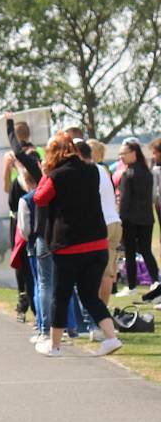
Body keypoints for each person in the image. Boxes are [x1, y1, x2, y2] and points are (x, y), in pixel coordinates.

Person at [33, 132, 122, 357]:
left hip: (69, 246)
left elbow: (39, 199)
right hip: (97, 244)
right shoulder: (92, 170)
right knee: (90, 295)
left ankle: (54, 346)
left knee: (60, 296)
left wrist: (45, 174)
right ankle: (111, 338)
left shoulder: (56, 176)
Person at [77, 140, 122, 341]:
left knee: (93, 275)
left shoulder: (85, 173)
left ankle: (97, 322)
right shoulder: (103, 170)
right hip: (114, 222)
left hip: (100, 225)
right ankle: (105, 320)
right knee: (107, 274)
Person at [3, 117, 38, 322]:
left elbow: (6, 187)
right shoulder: (10, 156)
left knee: (23, 260)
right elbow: (8, 188)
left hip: (21, 214)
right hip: (19, 211)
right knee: (23, 259)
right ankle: (24, 298)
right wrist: (9, 168)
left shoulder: (34, 153)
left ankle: (26, 299)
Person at [114, 139, 159, 298]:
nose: (121, 157)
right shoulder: (147, 172)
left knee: (131, 252)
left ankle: (132, 285)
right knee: (146, 251)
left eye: (123, 154)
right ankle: (156, 279)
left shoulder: (128, 174)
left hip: (131, 219)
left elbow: (125, 200)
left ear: (133, 153)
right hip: (147, 218)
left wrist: (121, 218)